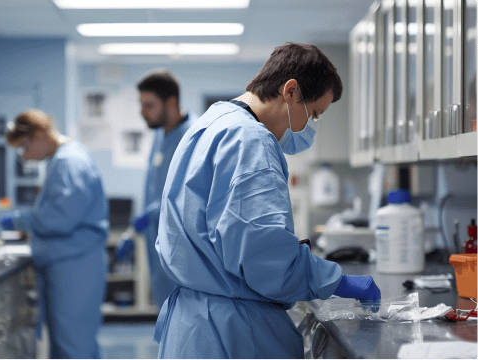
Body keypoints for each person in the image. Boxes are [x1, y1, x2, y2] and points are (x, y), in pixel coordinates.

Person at [153, 43, 381, 359]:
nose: (308, 127)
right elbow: (263, 255)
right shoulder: (251, 140)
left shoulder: (209, 123)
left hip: (192, 328)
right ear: (290, 91)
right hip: (229, 332)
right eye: (314, 113)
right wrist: (336, 281)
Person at [0, 109, 108, 359]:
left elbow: (59, 219)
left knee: (73, 347)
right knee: (72, 345)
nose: (24, 156)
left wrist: (16, 220)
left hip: (75, 267)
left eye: (24, 146)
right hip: (70, 264)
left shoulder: (70, 163)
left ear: (39, 134)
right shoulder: (62, 159)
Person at [117, 69, 196, 309]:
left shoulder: (194, 136)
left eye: (149, 105)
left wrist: (147, 216)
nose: (142, 112)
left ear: (171, 102)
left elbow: (188, 193)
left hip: (183, 247)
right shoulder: (161, 135)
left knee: (186, 319)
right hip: (158, 240)